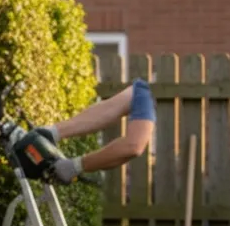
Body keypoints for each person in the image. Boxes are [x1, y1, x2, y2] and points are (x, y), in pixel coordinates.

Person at [19, 78, 156, 185]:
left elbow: (132, 146)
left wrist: (76, 166)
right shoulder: (148, 90)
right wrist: (53, 132)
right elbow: (114, 107)